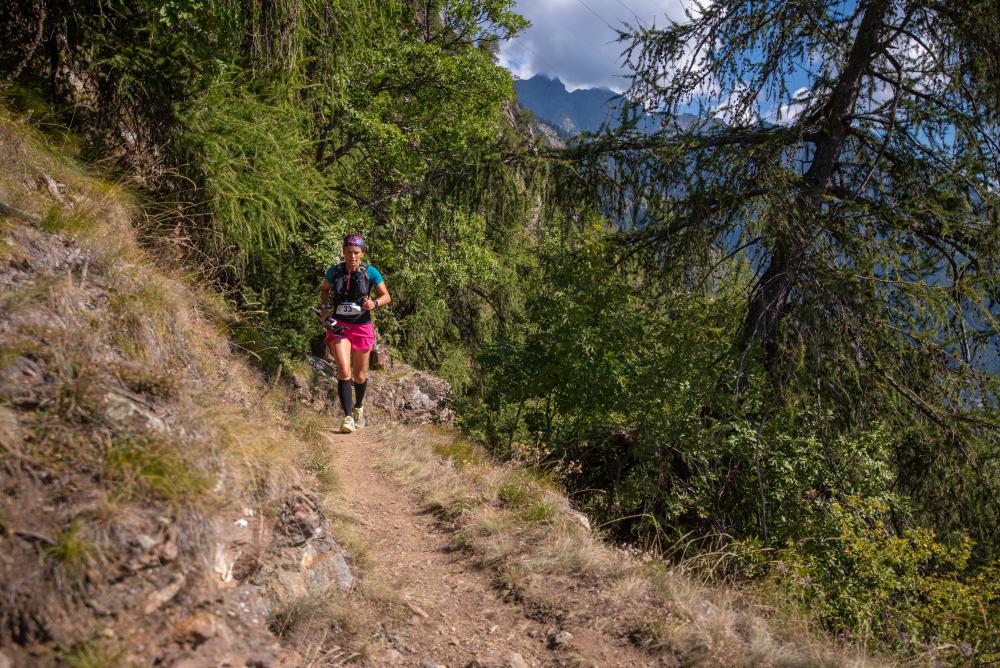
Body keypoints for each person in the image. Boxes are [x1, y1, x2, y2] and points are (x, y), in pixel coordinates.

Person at [320, 234, 391, 433]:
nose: (352, 256)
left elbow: (386, 296)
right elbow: (325, 290)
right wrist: (325, 310)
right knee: (344, 371)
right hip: (339, 325)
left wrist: (374, 303)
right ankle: (348, 417)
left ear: (362, 254)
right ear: (343, 252)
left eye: (356, 253)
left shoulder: (370, 272)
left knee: (359, 376)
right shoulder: (334, 272)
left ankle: (358, 406)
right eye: (349, 252)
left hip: (362, 326)